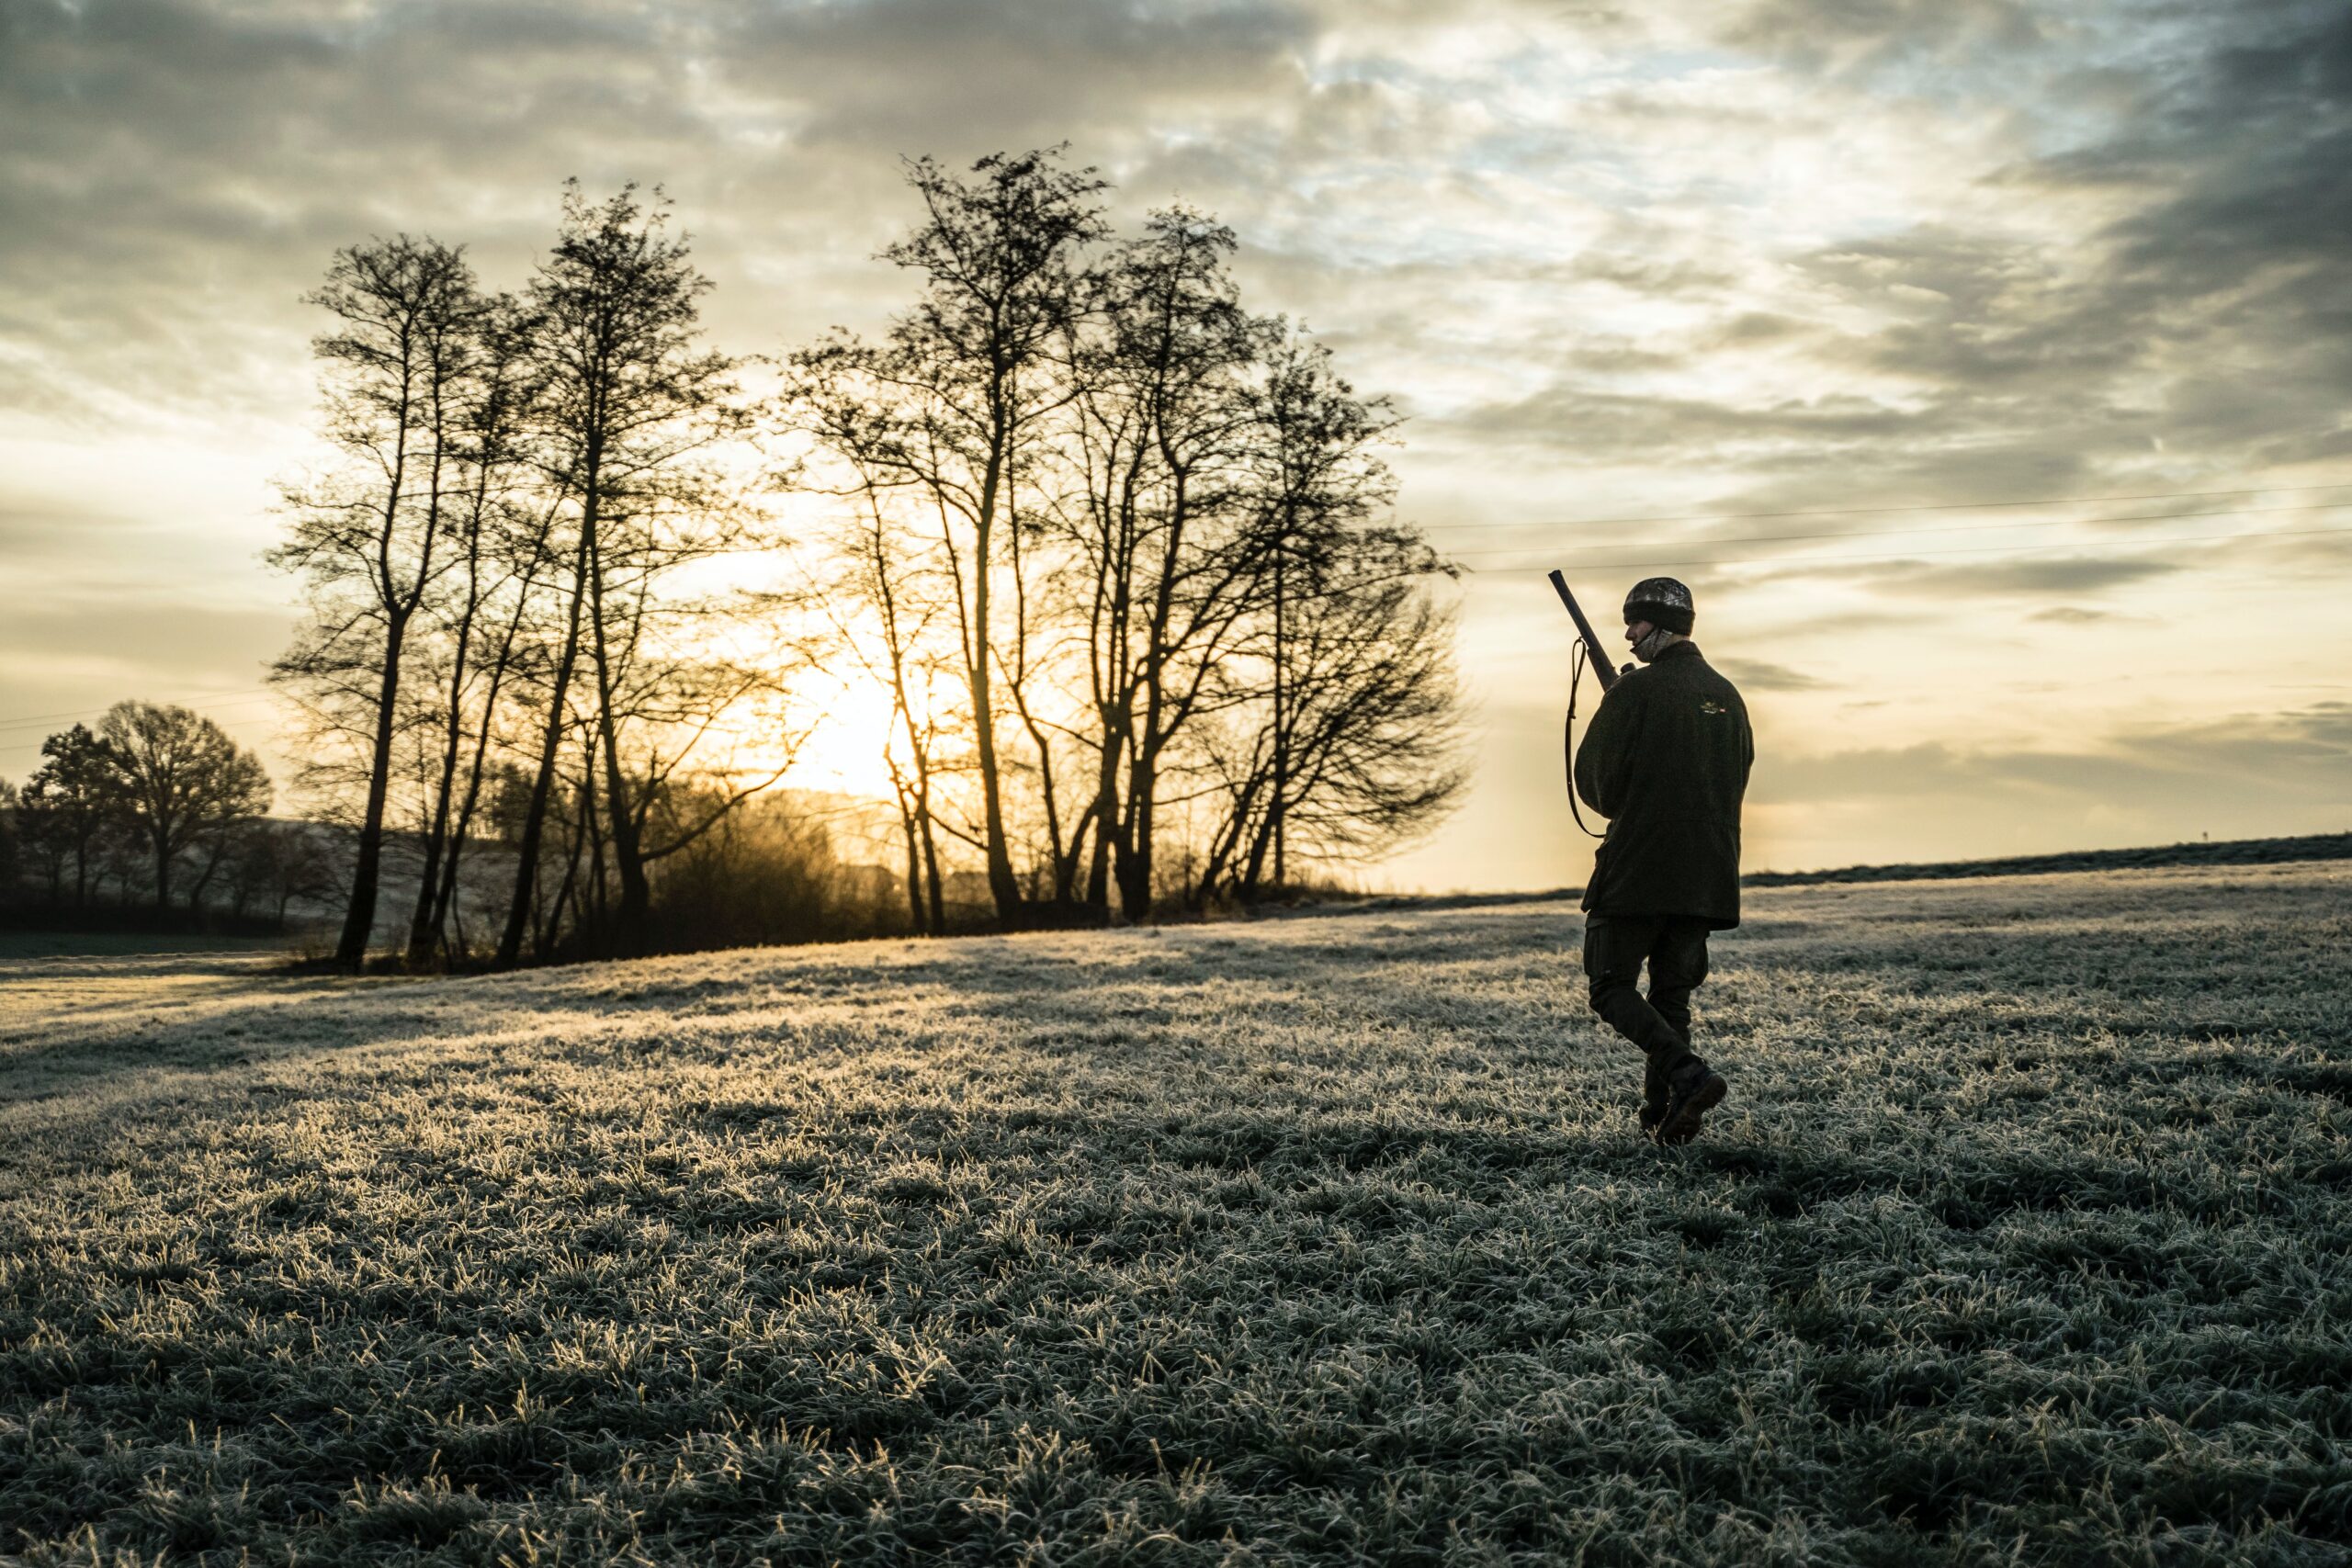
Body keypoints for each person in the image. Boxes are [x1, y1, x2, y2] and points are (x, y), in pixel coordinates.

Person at [1572, 576, 1753, 1144]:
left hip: (1640, 867)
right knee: (1671, 996)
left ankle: (1688, 1074)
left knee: (1610, 986)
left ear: (1660, 626)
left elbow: (1599, 788)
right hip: (1709, 874)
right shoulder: (1729, 696)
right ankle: (1664, 1116)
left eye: (1635, 622)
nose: (1626, 635)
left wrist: (1617, 708)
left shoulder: (1636, 693)